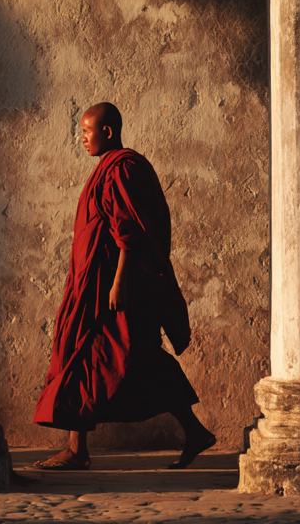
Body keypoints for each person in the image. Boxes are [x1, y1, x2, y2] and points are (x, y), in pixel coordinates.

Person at [32, 102, 215, 470]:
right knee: (85, 355)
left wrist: (118, 285)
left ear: (108, 132)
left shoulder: (122, 170)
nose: (81, 138)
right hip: (91, 285)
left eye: (87, 131)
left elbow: (127, 233)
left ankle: (193, 432)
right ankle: (78, 447)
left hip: (115, 289)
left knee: (122, 358)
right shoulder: (107, 169)